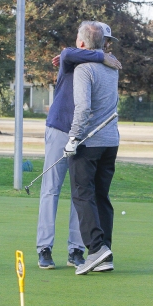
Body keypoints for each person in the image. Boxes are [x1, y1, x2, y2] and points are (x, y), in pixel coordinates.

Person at [36, 23, 121, 269]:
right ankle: (44, 247)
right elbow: (67, 53)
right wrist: (100, 56)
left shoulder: (108, 64)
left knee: (81, 192)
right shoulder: (72, 58)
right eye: (105, 40)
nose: (108, 45)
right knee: (51, 189)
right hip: (60, 128)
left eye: (108, 41)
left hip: (84, 135)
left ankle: (76, 249)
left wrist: (102, 57)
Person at [64, 21, 120, 275]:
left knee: (82, 194)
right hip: (110, 142)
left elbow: (83, 107)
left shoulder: (83, 69)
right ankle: (105, 252)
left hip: (88, 142)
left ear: (81, 43)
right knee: (100, 196)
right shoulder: (112, 66)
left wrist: (73, 137)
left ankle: (96, 249)